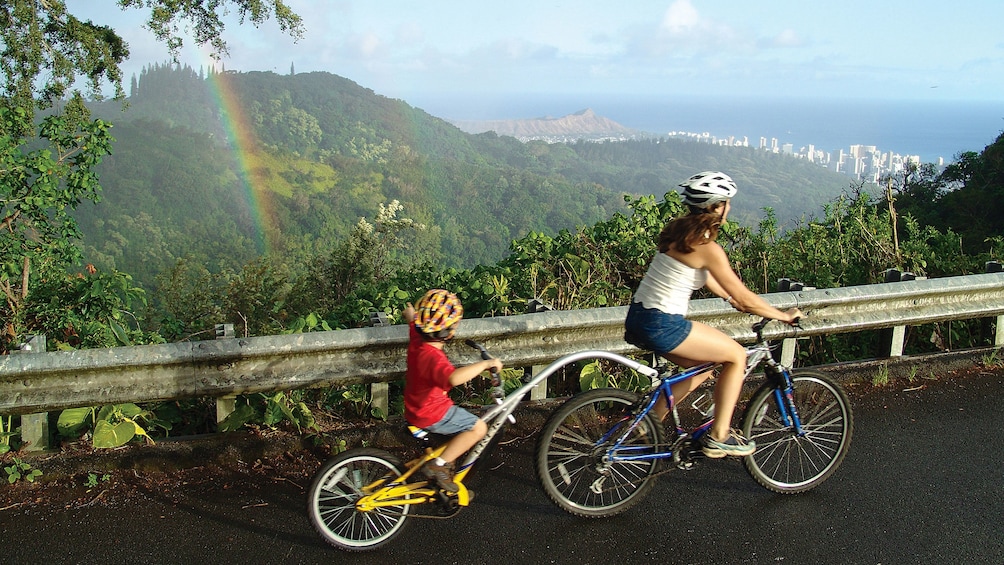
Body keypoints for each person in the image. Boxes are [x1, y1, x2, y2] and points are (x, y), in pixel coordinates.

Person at [624, 171, 803, 458]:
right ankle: (719, 436)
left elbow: (703, 276)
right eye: (726, 203)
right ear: (716, 207)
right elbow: (745, 296)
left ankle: (647, 424)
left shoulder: (680, 235)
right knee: (737, 356)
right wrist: (783, 315)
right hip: (663, 323)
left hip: (640, 318)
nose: (729, 208)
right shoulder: (709, 248)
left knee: (707, 364)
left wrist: (728, 297)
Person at [403, 289, 504, 491]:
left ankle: (442, 462)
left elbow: (414, 323)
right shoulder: (435, 358)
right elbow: (454, 377)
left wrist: (412, 316)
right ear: (450, 333)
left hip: (414, 407)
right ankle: (438, 465)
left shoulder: (417, 340)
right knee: (478, 428)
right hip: (432, 413)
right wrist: (485, 365)